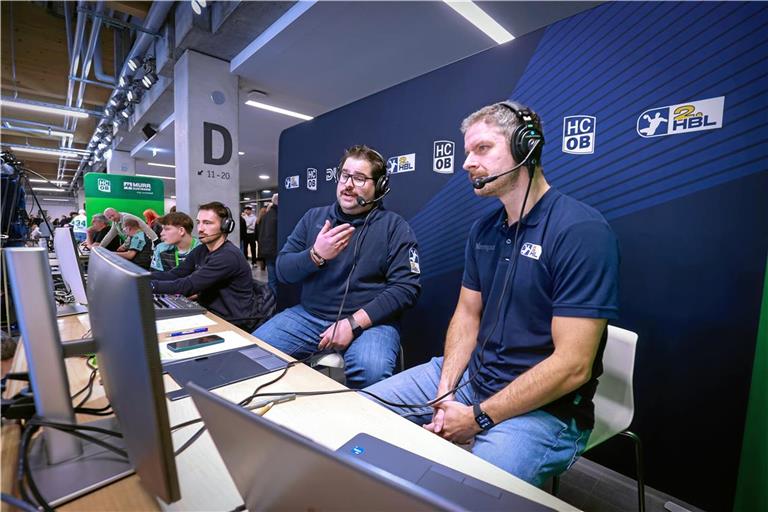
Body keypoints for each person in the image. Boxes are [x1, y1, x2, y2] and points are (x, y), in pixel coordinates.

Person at [365, 102, 620, 486]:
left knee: (473, 489)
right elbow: (467, 315)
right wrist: (446, 390)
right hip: (473, 378)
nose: (467, 162)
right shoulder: (484, 230)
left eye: (482, 148)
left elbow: (573, 365)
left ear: (525, 147)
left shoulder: (580, 231)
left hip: (544, 409)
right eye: (468, 151)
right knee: (360, 412)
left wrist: (477, 417)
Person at [253, 146, 421, 389]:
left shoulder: (395, 227)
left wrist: (352, 323)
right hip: (310, 317)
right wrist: (315, 255)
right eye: (345, 175)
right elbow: (283, 270)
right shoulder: (313, 217)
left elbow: (406, 288)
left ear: (380, 186)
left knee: (371, 371)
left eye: (359, 178)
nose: (348, 184)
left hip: (370, 324)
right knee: (254, 353)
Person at [150, 201, 257, 330]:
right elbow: (175, 274)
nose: (200, 229)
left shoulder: (228, 256)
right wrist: (142, 276)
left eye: (207, 223)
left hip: (232, 322)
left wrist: (149, 285)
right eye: (199, 222)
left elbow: (187, 285)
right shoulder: (202, 250)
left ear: (225, 226)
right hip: (208, 314)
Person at [257, 196, 278, 294]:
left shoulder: (265, 216)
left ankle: (271, 299)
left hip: (267, 251)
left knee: (272, 280)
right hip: (276, 251)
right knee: (279, 279)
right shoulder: (279, 215)